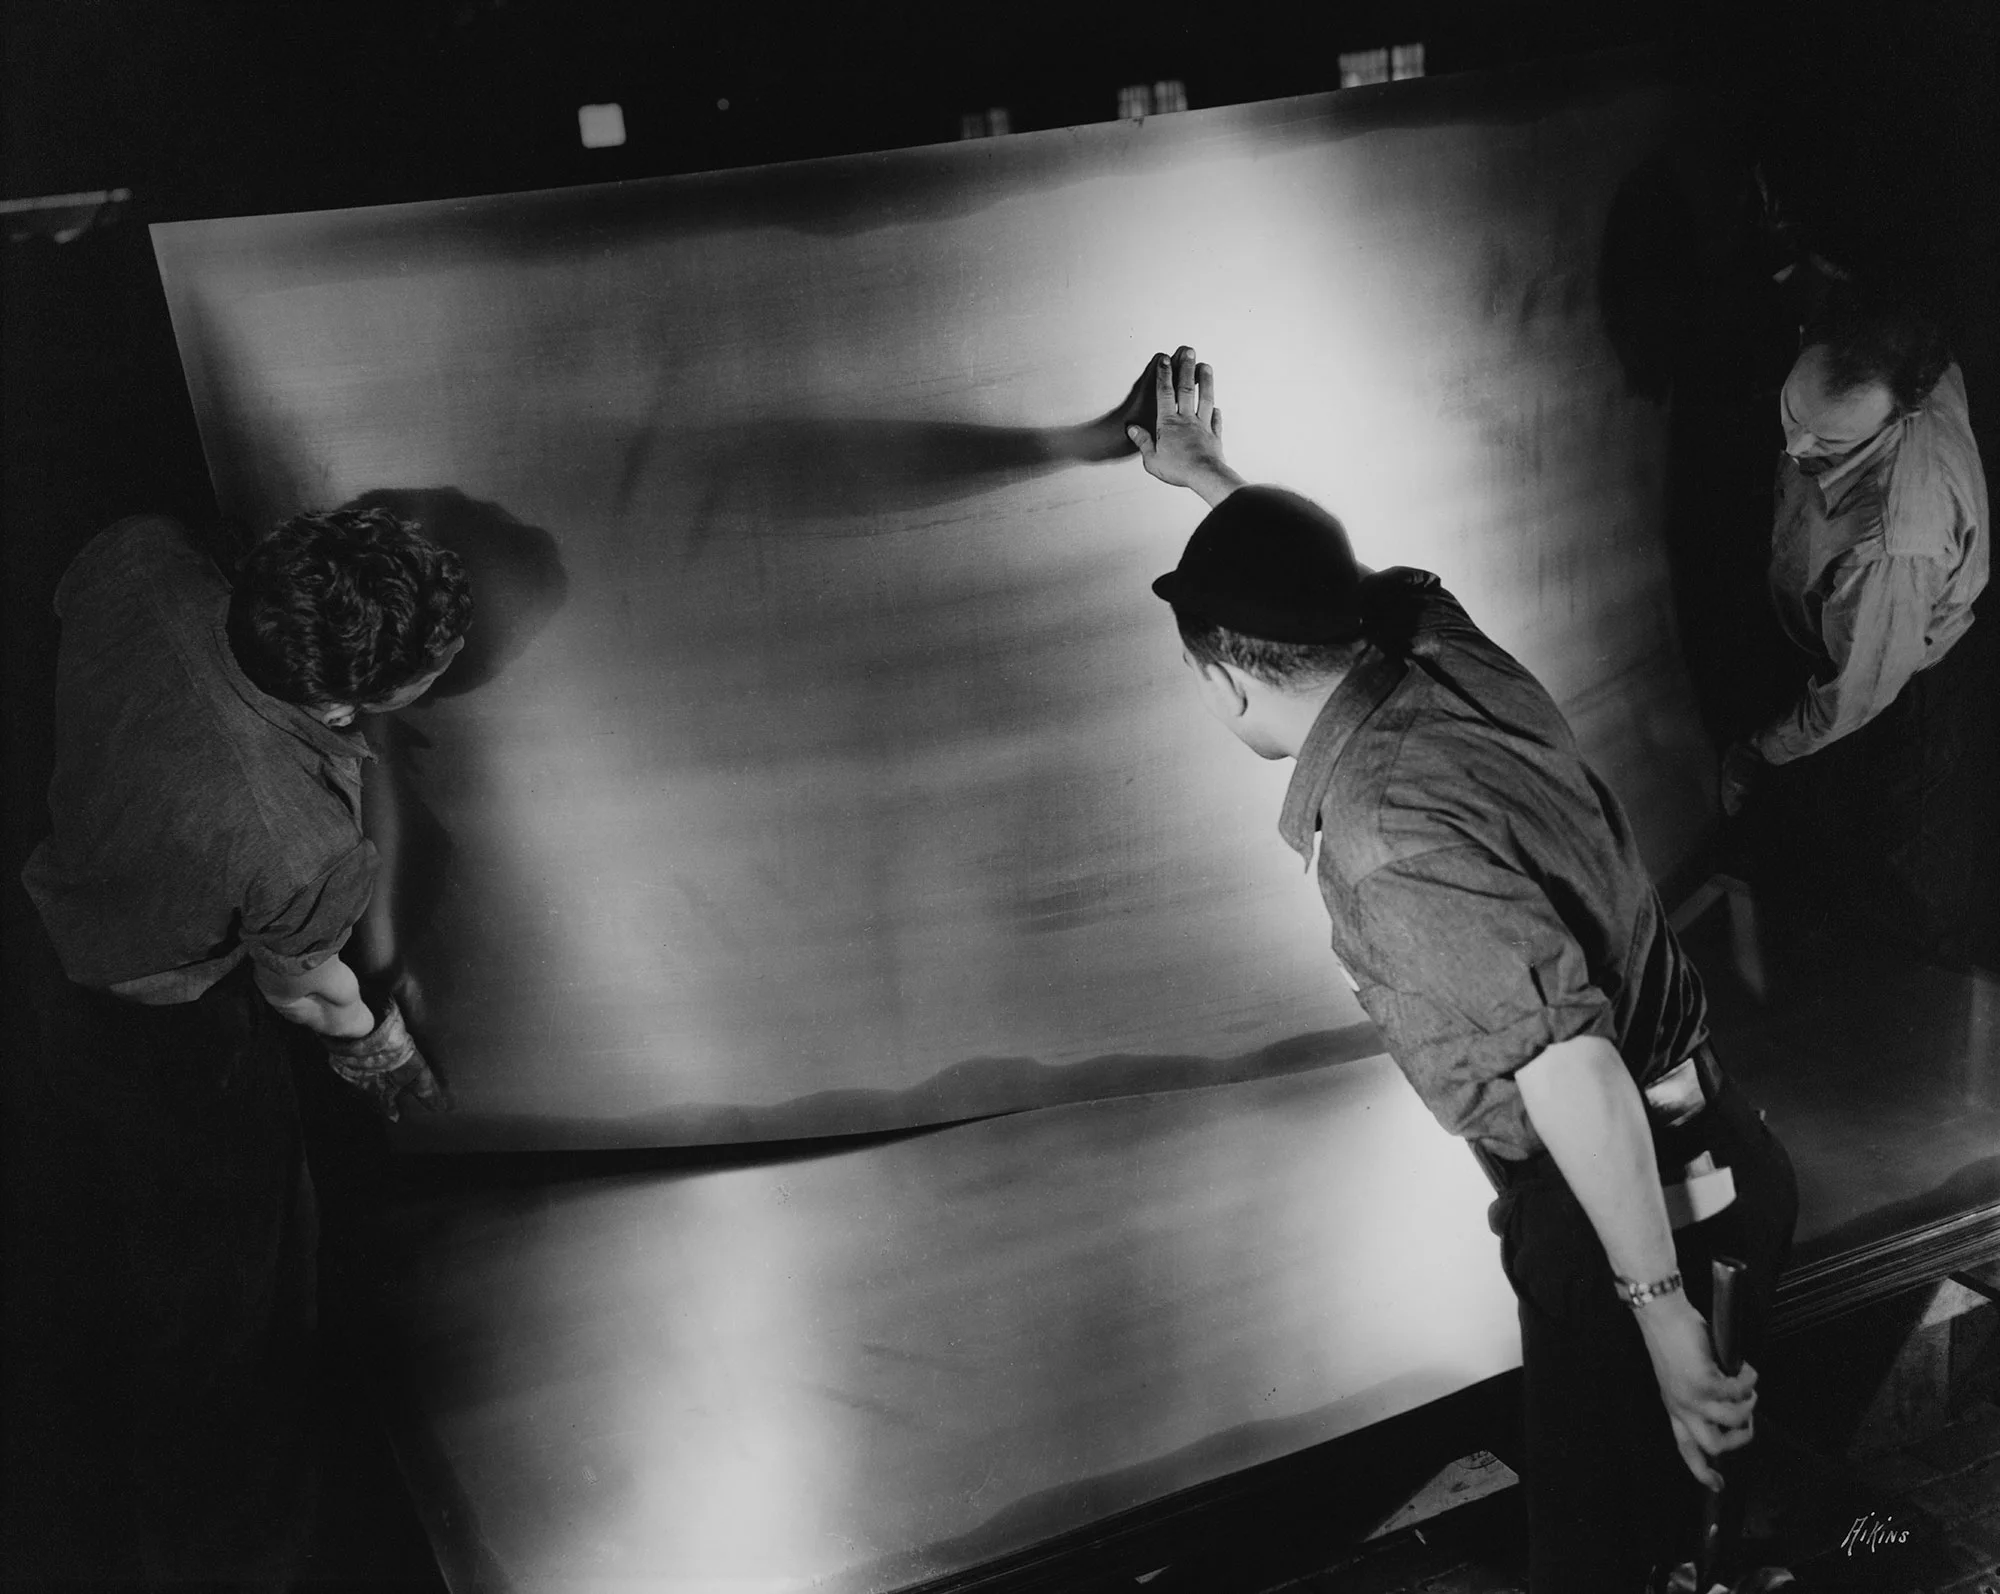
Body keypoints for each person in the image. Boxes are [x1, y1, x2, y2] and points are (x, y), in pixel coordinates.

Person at [1123, 348, 1799, 1592]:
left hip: (1626, 1215)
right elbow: (1331, 582)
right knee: (1670, 1546)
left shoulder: (1383, 840)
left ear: (1221, 680)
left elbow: (1573, 1068)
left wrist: (1658, 1322)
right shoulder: (1436, 639)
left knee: (1605, 1569)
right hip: (1719, 1158)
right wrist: (1210, 478)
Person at [3, 507, 466, 1587]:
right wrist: (383, 1049)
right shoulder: (298, 837)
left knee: (93, 1237)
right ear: (347, 703)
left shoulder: (139, 557)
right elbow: (303, 993)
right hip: (165, 1040)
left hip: (45, 935)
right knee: (230, 1323)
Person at [1719, 295, 1988, 963]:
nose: (1794, 446)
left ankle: (1904, 993)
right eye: (1793, 413)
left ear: (1898, 418)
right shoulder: (1902, 356)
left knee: (1905, 881)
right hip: (1851, 637)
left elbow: (1857, 693)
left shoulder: (1893, 541)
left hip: (1901, 688)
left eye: (1826, 444)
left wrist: (1762, 749)